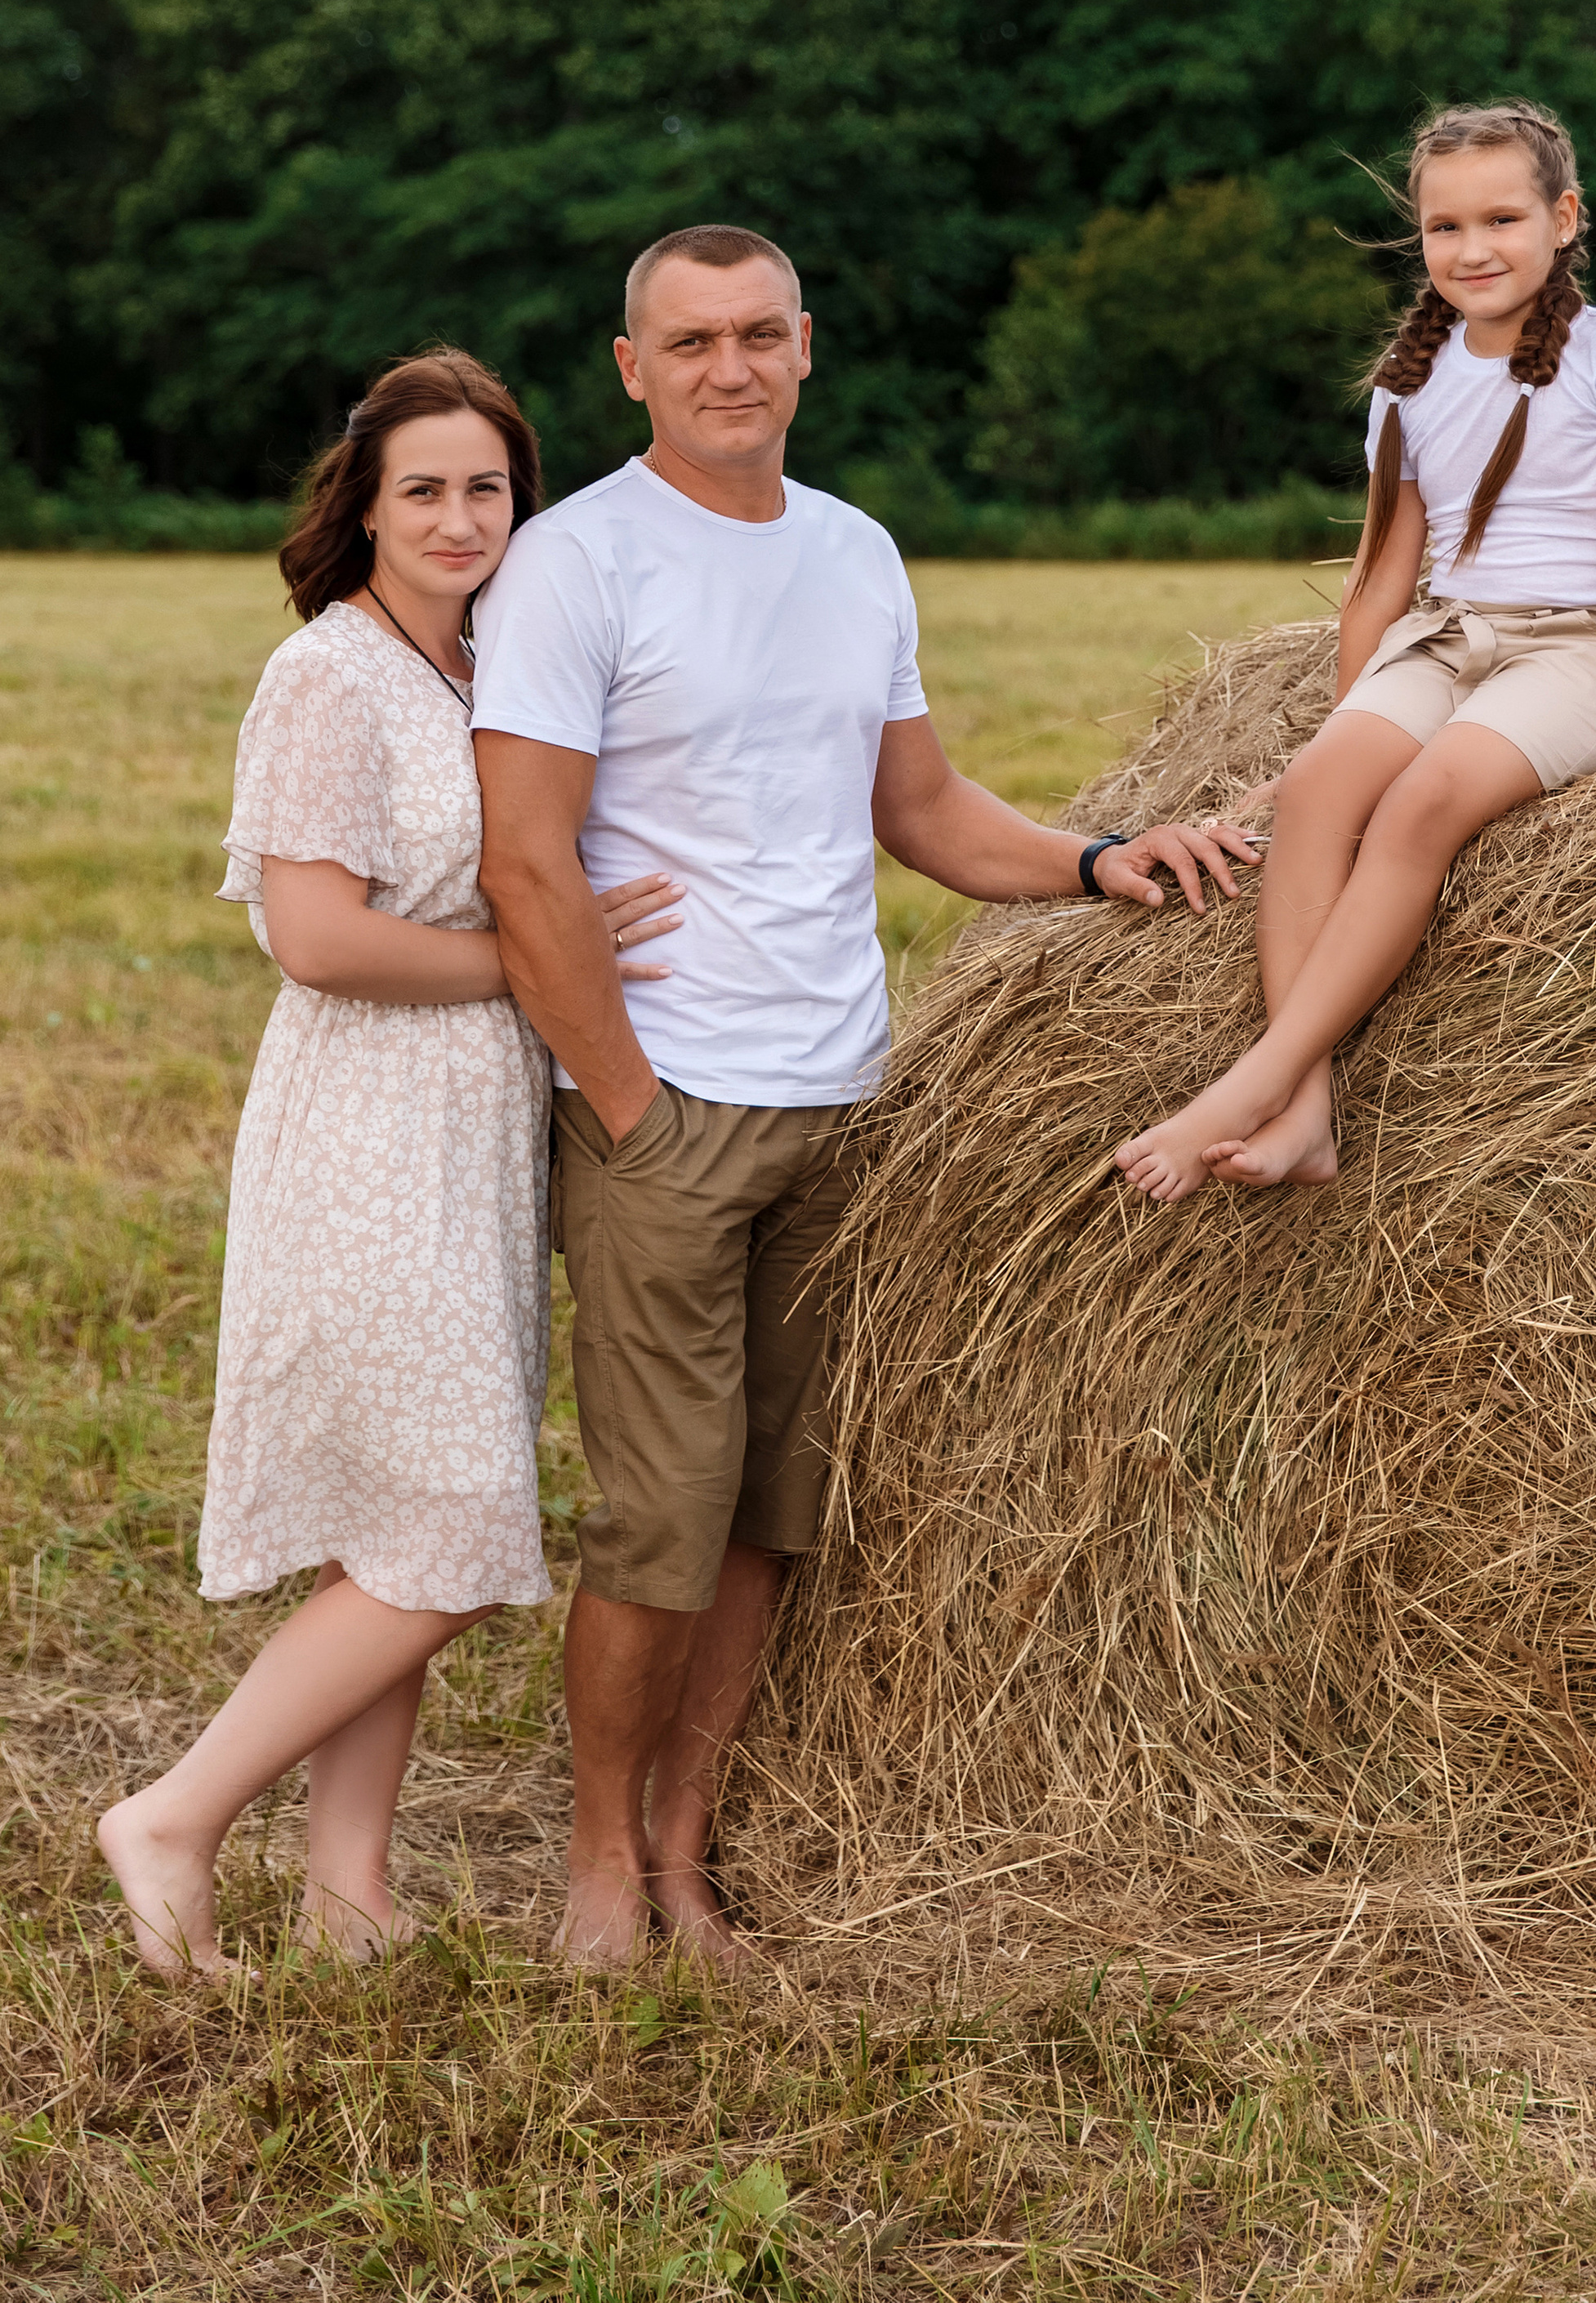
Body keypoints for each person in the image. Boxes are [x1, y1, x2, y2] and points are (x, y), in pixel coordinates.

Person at [469, 222, 1257, 1967]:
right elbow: (525, 865)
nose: (727, 369)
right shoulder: (576, 564)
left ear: (806, 348)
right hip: (668, 1106)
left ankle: (686, 1853)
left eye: (757, 336)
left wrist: (1104, 858)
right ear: (631, 368)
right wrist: (625, 1104)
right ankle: (597, 1866)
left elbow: (920, 808)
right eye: (689, 344)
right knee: (655, 1518)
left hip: (844, 1106)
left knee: (770, 1514)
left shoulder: (854, 555)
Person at [97, 350, 680, 1978]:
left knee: (394, 1531)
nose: (457, 515)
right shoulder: (334, 680)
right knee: (445, 1528)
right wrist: (541, 961)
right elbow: (315, 936)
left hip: (471, 1135)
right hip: (368, 1131)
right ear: (360, 502)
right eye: (420, 486)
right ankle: (174, 1814)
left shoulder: (477, 668)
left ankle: (348, 1897)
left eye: (485, 486)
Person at [1114, 98, 1596, 1206]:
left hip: (1571, 647)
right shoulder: (1410, 379)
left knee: (1419, 808)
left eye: (1502, 218)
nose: (1473, 248)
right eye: (1446, 227)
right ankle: (1306, 1109)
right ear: (1421, 236)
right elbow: (1382, 576)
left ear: (1564, 217)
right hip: (1444, 637)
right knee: (1318, 796)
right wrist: (1342, 726)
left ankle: (1253, 1083)